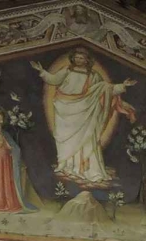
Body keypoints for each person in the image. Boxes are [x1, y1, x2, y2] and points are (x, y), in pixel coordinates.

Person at [31, 47, 136, 185]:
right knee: (66, 137)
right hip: (65, 108)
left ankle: (85, 168)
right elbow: (54, 80)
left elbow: (106, 88)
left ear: (87, 60)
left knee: (86, 138)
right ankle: (67, 165)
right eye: (77, 57)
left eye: (82, 58)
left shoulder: (93, 75)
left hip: (86, 109)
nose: (79, 60)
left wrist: (122, 85)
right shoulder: (67, 70)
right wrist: (42, 71)